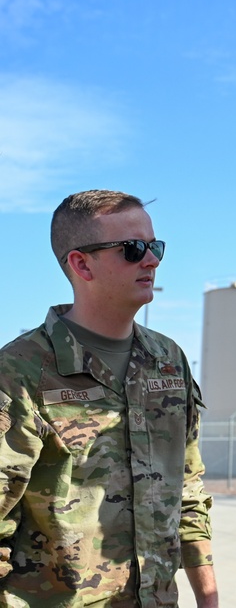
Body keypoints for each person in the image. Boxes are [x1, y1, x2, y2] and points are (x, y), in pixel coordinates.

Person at [0, 190, 217, 607]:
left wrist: (208, 597)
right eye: (133, 249)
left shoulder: (168, 361)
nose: (151, 260)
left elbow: (188, 491)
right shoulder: (21, 371)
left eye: (155, 247)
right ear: (81, 264)